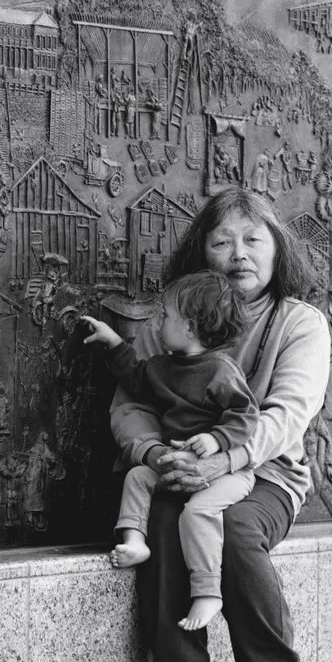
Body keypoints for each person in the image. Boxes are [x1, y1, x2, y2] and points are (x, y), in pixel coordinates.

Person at [110, 188, 330, 662]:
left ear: (277, 250)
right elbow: (131, 406)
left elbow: (287, 415)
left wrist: (226, 459)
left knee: (231, 529)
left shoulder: (299, 323)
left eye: (254, 240)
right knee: (162, 526)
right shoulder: (169, 319)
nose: (239, 254)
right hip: (176, 466)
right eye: (222, 241)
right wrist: (157, 454)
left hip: (268, 474)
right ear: (200, 251)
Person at [81, 270, 259, 632]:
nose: (157, 322)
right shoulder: (164, 367)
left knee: (197, 514)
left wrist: (216, 441)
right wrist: (114, 341)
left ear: (191, 328)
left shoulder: (220, 371)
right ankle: (134, 541)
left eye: (165, 316)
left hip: (227, 474)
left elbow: (247, 416)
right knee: (137, 476)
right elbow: (135, 377)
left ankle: (208, 593)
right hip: (175, 465)